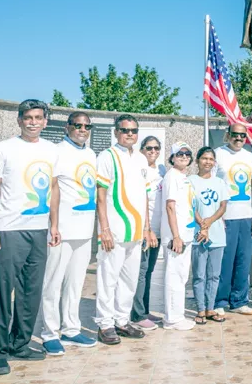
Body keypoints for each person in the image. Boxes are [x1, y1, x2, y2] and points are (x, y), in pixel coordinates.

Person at [0, 100, 58, 375]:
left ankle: (20, 343)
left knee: (30, 292)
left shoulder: (51, 150)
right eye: (28, 117)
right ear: (19, 120)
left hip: (38, 230)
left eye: (38, 117)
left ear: (45, 121)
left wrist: (54, 224)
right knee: (2, 294)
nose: (33, 122)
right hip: (9, 229)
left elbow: (53, 187)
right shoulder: (4, 148)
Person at [94, 114, 157, 345]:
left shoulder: (141, 159)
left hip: (137, 232)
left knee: (129, 280)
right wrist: (105, 229)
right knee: (108, 278)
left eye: (133, 130)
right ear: (116, 132)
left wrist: (148, 229)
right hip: (115, 230)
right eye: (124, 130)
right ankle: (105, 324)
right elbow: (100, 195)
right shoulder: (107, 156)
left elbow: (145, 197)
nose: (129, 134)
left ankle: (121, 320)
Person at [40, 112, 98, 356]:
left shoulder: (91, 153)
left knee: (76, 284)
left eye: (87, 126)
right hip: (61, 230)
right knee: (52, 283)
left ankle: (71, 328)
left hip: (84, 230)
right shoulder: (56, 151)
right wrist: (53, 225)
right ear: (67, 127)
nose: (82, 129)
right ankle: (49, 333)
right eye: (78, 125)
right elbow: (51, 190)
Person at [213, 124, 252, 317]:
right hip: (226, 217)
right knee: (225, 261)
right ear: (227, 135)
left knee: (243, 260)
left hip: (246, 215)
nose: (238, 138)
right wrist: (217, 215)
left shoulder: (251, 157)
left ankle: (239, 300)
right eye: (235, 135)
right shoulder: (217, 154)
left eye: (242, 135)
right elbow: (213, 185)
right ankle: (220, 301)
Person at [189, 147, 230, 324]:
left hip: (217, 234)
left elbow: (222, 206)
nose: (207, 162)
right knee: (199, 275)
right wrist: (202, 224)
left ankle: (210, 307)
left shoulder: (219, 183)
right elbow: (190, 205)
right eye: (204, 158)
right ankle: (200, 309)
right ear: (198, 160)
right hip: (197, 234)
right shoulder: (190, 181)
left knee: (214, 275)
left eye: (211, 159)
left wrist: (210, 221)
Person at [130, 136, 166, 331]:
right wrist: (147, 228)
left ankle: (145, 309)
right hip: (145, 229)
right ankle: (137, 314)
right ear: (142, 149)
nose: (153, 152)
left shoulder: (161, 170)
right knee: (141, 271)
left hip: (158, 229)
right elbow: (141, 199)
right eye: (149, 148)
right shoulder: (139, 169)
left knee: (149, 271)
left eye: (156, 148)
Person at [161, 142, 197, 331]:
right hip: (177, 236)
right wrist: (176, 236)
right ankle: (172, 319)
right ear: (172, 157)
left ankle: (177, 314)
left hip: (187, 234)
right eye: (180, 153)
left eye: (187, 153)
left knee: (182, 276)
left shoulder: (185, 177)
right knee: (174, 275)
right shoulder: (171, 176)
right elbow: (170, 206)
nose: (184, 156)